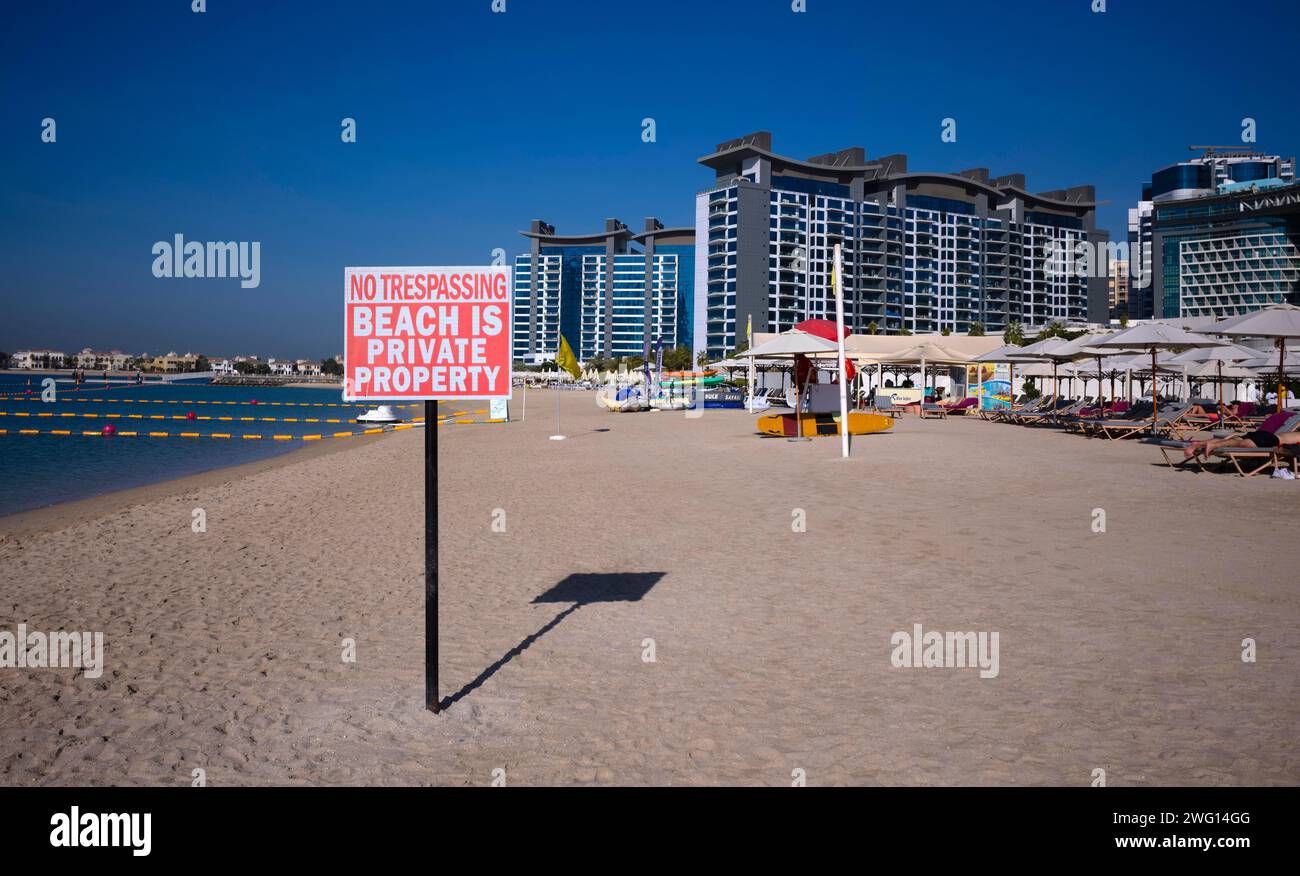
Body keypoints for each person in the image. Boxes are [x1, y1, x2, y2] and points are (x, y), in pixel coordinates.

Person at [1185, 425, 1300, 459]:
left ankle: (1197, 444)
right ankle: (1214, 444)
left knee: (1233, 441)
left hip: (1265, 434)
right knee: (1244, 444)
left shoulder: (1296, 433)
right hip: (1273, 440)